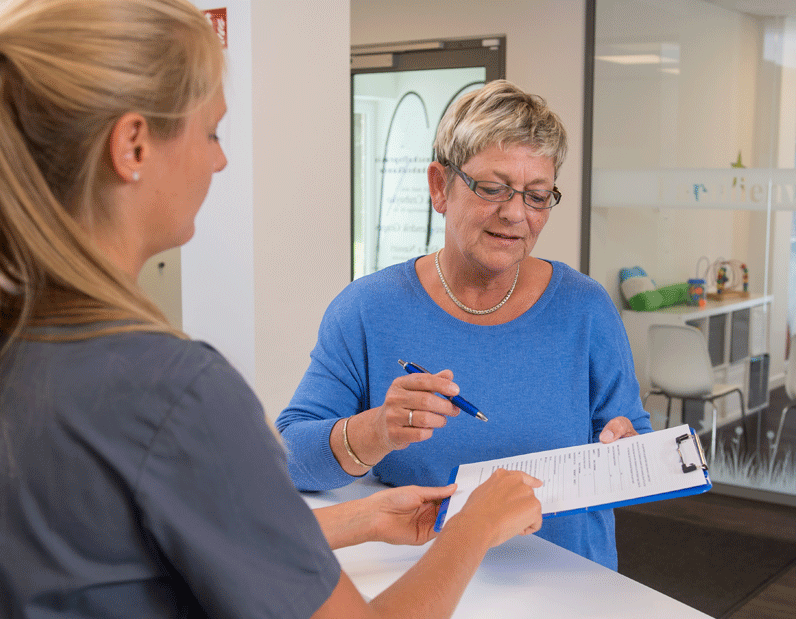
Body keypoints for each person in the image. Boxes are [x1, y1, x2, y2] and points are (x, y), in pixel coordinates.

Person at [0, 1, 545, 617]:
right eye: (212, 130)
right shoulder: (174, 392)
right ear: (133, 144)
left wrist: (361, 518)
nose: (222, 159)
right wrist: (474, 526)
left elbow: (123, 548)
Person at [276, 79, 653, 570]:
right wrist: (378, 430)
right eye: (492, 188)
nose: (515, 214)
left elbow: (633, 440)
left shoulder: (585, 309)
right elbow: (289, 459)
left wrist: (626, 452)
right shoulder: (367, 310)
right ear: (440, 186)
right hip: (425, 587)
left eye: (537, 196)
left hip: (568, 586)